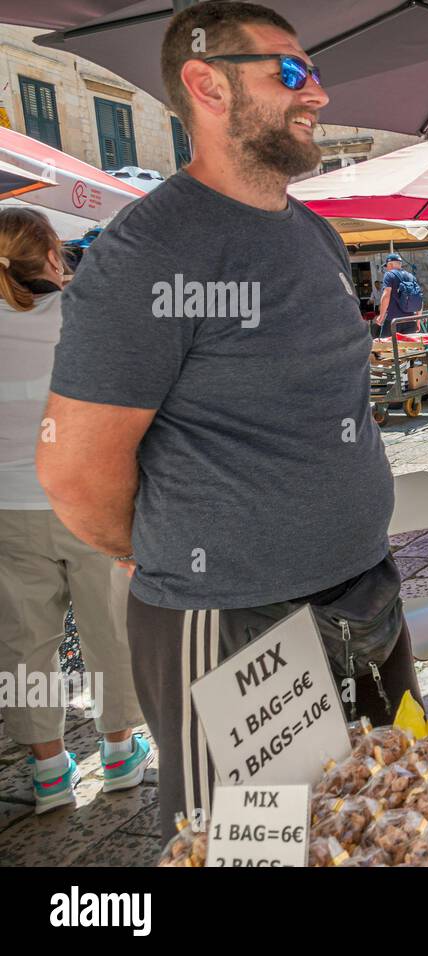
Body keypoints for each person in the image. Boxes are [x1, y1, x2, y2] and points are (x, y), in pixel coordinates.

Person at [36, 1, 420, 841]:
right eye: (292, 71)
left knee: (387, 830)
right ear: (207, 85)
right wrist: (159, 548)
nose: (317, 92)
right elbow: (74, 471)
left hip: (365, 595)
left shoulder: (315, 235)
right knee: (259, 849)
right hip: (235, 623)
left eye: (314, 71)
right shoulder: (150, 253)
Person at [0, 207, 152, 814]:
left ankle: (48, 771)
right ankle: (118, 752)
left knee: (24, 643)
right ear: (51, 255)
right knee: (109, 628)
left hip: (9, 507)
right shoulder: (84, 314)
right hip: (90, 499)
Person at [375, 252, 421, 338]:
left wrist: (381, 316)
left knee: (386, 345)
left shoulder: (389, 275)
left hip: (393, 321)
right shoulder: (411, 276)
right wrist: (418, 320)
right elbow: (419, 298)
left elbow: (386, 296)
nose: (386, 268)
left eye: (386, 266)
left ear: (390, 264)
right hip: (410, 320)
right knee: (408, 346)